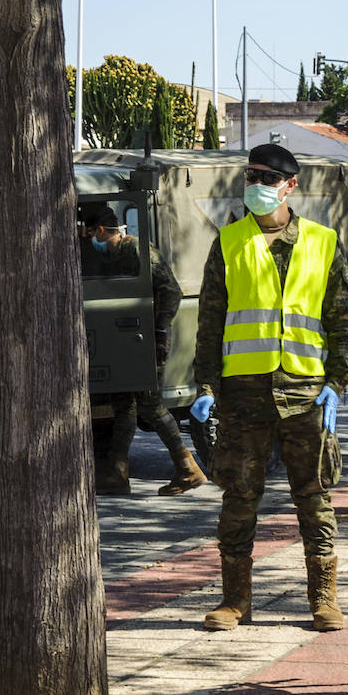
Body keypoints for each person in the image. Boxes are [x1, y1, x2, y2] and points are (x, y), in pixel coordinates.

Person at [191, 143, 348, 632]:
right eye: (251, 176)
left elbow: (342, 319)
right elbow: (210, 321)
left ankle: (323, 599)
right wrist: (205, 385)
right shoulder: (229, 242)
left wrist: (338, 381)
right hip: (243, 395)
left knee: (314, 496)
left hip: (305, 393)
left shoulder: (322, 242)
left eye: (268, 177)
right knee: (239, 497)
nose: (257, 185)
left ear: (291, 185)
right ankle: (235, 601)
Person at [83, 203, 207, 497]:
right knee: (123, 403)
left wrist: (160, 332)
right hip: (126, 339)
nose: (89, 241)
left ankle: (188, 468)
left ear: (100, 230)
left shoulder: (137, 250)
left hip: (149, 337)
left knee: (150, 404)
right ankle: (117, 472)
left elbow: (171, 291)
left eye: (89, 234)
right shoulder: (110, 255)